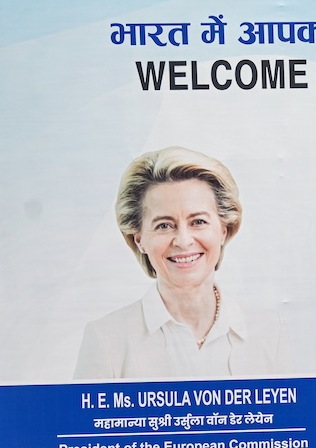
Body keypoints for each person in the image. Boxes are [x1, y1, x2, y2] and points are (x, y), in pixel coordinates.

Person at [74, 147, 291, 379]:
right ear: (140, 241)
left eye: (198, 221)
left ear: (223, 230)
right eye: (164, 225)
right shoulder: (106, 339)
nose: (183, 241)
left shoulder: (268, 331)